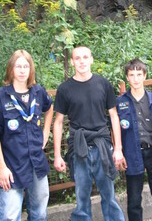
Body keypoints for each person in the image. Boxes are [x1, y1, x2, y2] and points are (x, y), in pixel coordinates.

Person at [53, 45, 126, 221]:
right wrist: (57, 155)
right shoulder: (64, 89)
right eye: (77, 58)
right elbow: (58, 122)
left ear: (92, 59)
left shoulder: (103, 84)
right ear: (72, 62)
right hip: (79, 148)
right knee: (82, 197)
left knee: (109, 195)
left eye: (85, 57)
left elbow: (114, 116)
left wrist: (117, 149)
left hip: (102, 145)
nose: (82, 61)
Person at [0, 49, 53, 221]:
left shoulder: (38, 92)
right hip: (12, 166)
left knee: (39, 213)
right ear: (11, 69)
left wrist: (46, 132)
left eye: (26, 66)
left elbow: (49, 107)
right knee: (9, 216)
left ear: (31, 69)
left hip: (37, 163)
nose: (22, 70)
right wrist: (2, 168)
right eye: (18, 66)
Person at [116, 59, 152, 221]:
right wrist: (118, 150)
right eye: (132, 75)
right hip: (133, 154)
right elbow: (115, 129)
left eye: (139, 74)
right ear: (127, 77)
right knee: (134, 199)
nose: (135, 79)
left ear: (145, 76)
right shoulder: (120, 103)